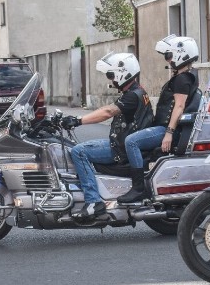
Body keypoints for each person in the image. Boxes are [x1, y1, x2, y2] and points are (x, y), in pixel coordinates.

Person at [60, 52, 153, 218]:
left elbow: (107, 112)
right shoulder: (136, 91)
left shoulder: (132, 96)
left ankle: (93, 202)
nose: (111, 79)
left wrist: (78, 120)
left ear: (123, 72)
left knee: (79, 151)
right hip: (121, 143)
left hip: (121, 149)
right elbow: (107, 109)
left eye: (111, 75)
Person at [114, 35, 200, 204]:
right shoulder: (187, 76)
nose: (167, 60)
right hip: (166, 127)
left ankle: (138, 188)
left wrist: (169, 133)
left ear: (180, 55)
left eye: (169, 56)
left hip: (167, 129)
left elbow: (179, 106)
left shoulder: (182, 79)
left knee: (131, 141)